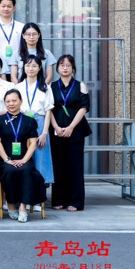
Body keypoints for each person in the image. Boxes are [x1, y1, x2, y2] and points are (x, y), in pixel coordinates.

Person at [0, 90, 47, 223]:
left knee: (27, 171)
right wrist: (7, 159)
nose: (11, 104)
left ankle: (23, 206)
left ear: (21, 102)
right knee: (10, 171)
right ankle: (11, 204)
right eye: (8, 101)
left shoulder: (29, 121)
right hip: (5, 160)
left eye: (14, 100)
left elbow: (33, 143)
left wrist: (24, 160)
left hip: (24, 158)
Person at [49, 55, 91, 212]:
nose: (65, 68)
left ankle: (75, 201)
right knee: (58, 166)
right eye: (62, 65)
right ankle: (59, 199)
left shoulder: (80, 85)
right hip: (56, 129)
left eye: (68, 65)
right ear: (57, 68)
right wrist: (56, 127)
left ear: (73, 68)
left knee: (75, 166)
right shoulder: (51, 86)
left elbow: (84, 107)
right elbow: (48, 108)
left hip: (76, 129)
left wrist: (71, 127)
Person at [15, 55, 55, 186]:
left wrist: (44, 133)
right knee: (23, 155)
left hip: (40, 122)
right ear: (24, 68)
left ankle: (40, 191)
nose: (30, 68)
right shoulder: (18, 87)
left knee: (41, 156)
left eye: (34, 66)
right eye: (28, 65)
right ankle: (24, 190)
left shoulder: (45, 87)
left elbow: (48, 111)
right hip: (22, 122)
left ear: (39, 68)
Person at [0, 0, 24, 74]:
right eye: (3, 6)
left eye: (9, 6)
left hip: (18, 68)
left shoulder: (21, 27)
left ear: (14, 8)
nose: (6, 9)